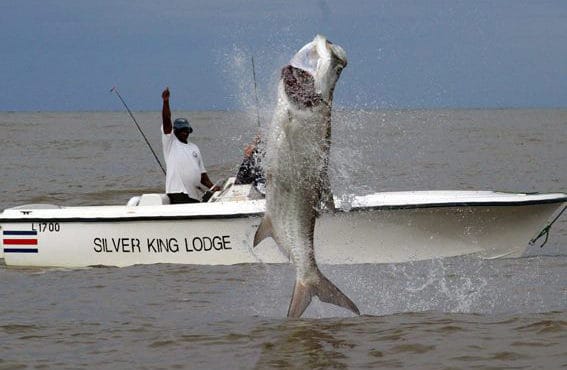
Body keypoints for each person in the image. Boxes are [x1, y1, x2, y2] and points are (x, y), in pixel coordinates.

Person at [161, 87, 220, 204]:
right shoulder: (171, 142)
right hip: (178, 192)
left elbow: (202, 175)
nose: (184, 132)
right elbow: (167, 120)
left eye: (186, 129)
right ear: (175, 131)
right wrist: (166, 102)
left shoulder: (194, 147)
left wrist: (213, 188)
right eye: (181, 130)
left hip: (194, 194)